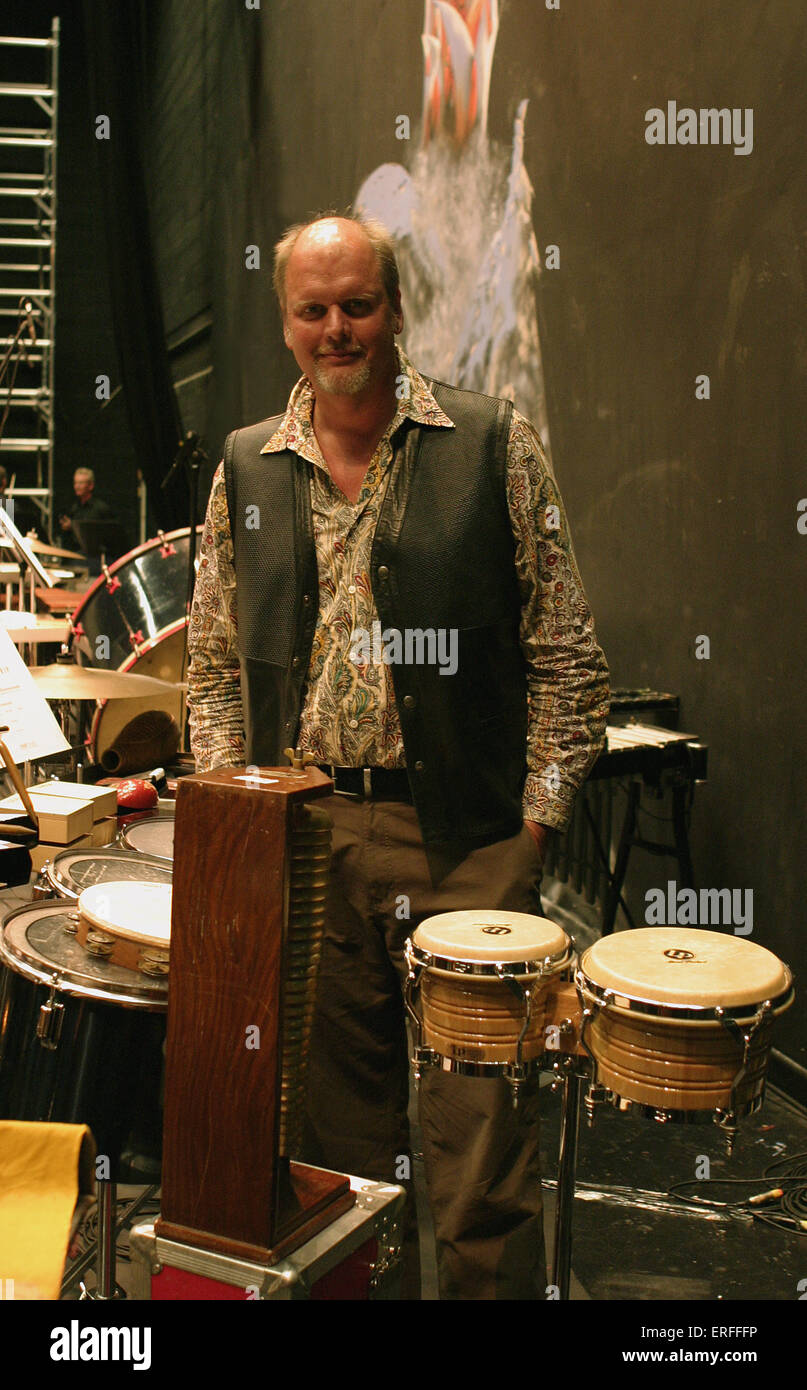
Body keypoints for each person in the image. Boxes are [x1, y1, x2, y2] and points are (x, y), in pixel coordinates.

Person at [187, 213, 609, 1300]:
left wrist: (532, 831)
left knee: (482, 1158)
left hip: (469, 844)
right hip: (311, 839)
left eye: (357, 305)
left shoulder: (489, 440)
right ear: (285, 321)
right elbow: (213, 667)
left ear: (397, 307)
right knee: (334, 1162)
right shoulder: (245, 466)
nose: (338, 329)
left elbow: (569, 658)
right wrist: (240, 820)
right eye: (313, 309)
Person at [59, 467, 117, 575]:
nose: (77, 486)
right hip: (79, 555)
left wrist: (73, 526)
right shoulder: (74, 508)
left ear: (90, 486)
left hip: (97, 558)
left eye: (81, 483)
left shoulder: (101, 508)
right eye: (76, 483)